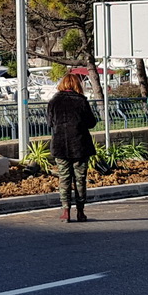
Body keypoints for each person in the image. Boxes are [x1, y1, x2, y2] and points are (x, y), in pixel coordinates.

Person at [46, 73, 98, 222]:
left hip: (60, 145)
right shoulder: (81, 101)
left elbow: (50, 123)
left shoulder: (53, 102)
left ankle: (65, 211)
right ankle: (80, 211)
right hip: (80, 145)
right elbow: (91, 123)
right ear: (77, 85)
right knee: (80, 179)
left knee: (64, 178)